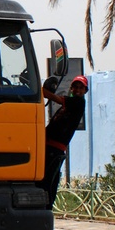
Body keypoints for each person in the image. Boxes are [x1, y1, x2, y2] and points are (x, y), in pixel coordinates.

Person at [39, 75, 88, 208]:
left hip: (54, 149)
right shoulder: (70, 105)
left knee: (47, 180)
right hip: (49, 145)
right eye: (76, 87)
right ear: (71, 88)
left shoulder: (78, 103)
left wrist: (38, 90)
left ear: (85, 91)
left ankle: (46, 207)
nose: (78, 90)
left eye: (81, 88)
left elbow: (52, 97)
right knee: (46, 178)